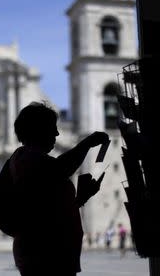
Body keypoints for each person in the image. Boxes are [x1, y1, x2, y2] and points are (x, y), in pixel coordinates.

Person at [7, 102, 109, 276]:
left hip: (53, 255)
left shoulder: (33, 160)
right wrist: (87, 143)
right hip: (43, 256)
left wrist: (80, 199)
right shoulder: (25, 159)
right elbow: (61, 168)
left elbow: (49, 210)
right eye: (52, 128)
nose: (57, 133)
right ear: (38, 130)